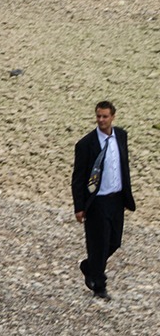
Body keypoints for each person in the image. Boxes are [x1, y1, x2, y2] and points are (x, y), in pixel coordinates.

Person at [72, 101, 134, 301]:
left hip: (116, 198)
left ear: (113, 117)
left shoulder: (121, 136)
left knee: (114, 241)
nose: (101, 120)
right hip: (97, 201)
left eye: (105, 116)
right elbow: (78, 177)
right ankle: (99, 284)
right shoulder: (85, 144)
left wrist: (126, 195)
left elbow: (123, 166)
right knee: (99, 243)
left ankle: (90, 266)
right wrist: (79, 206)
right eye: (98, 116)